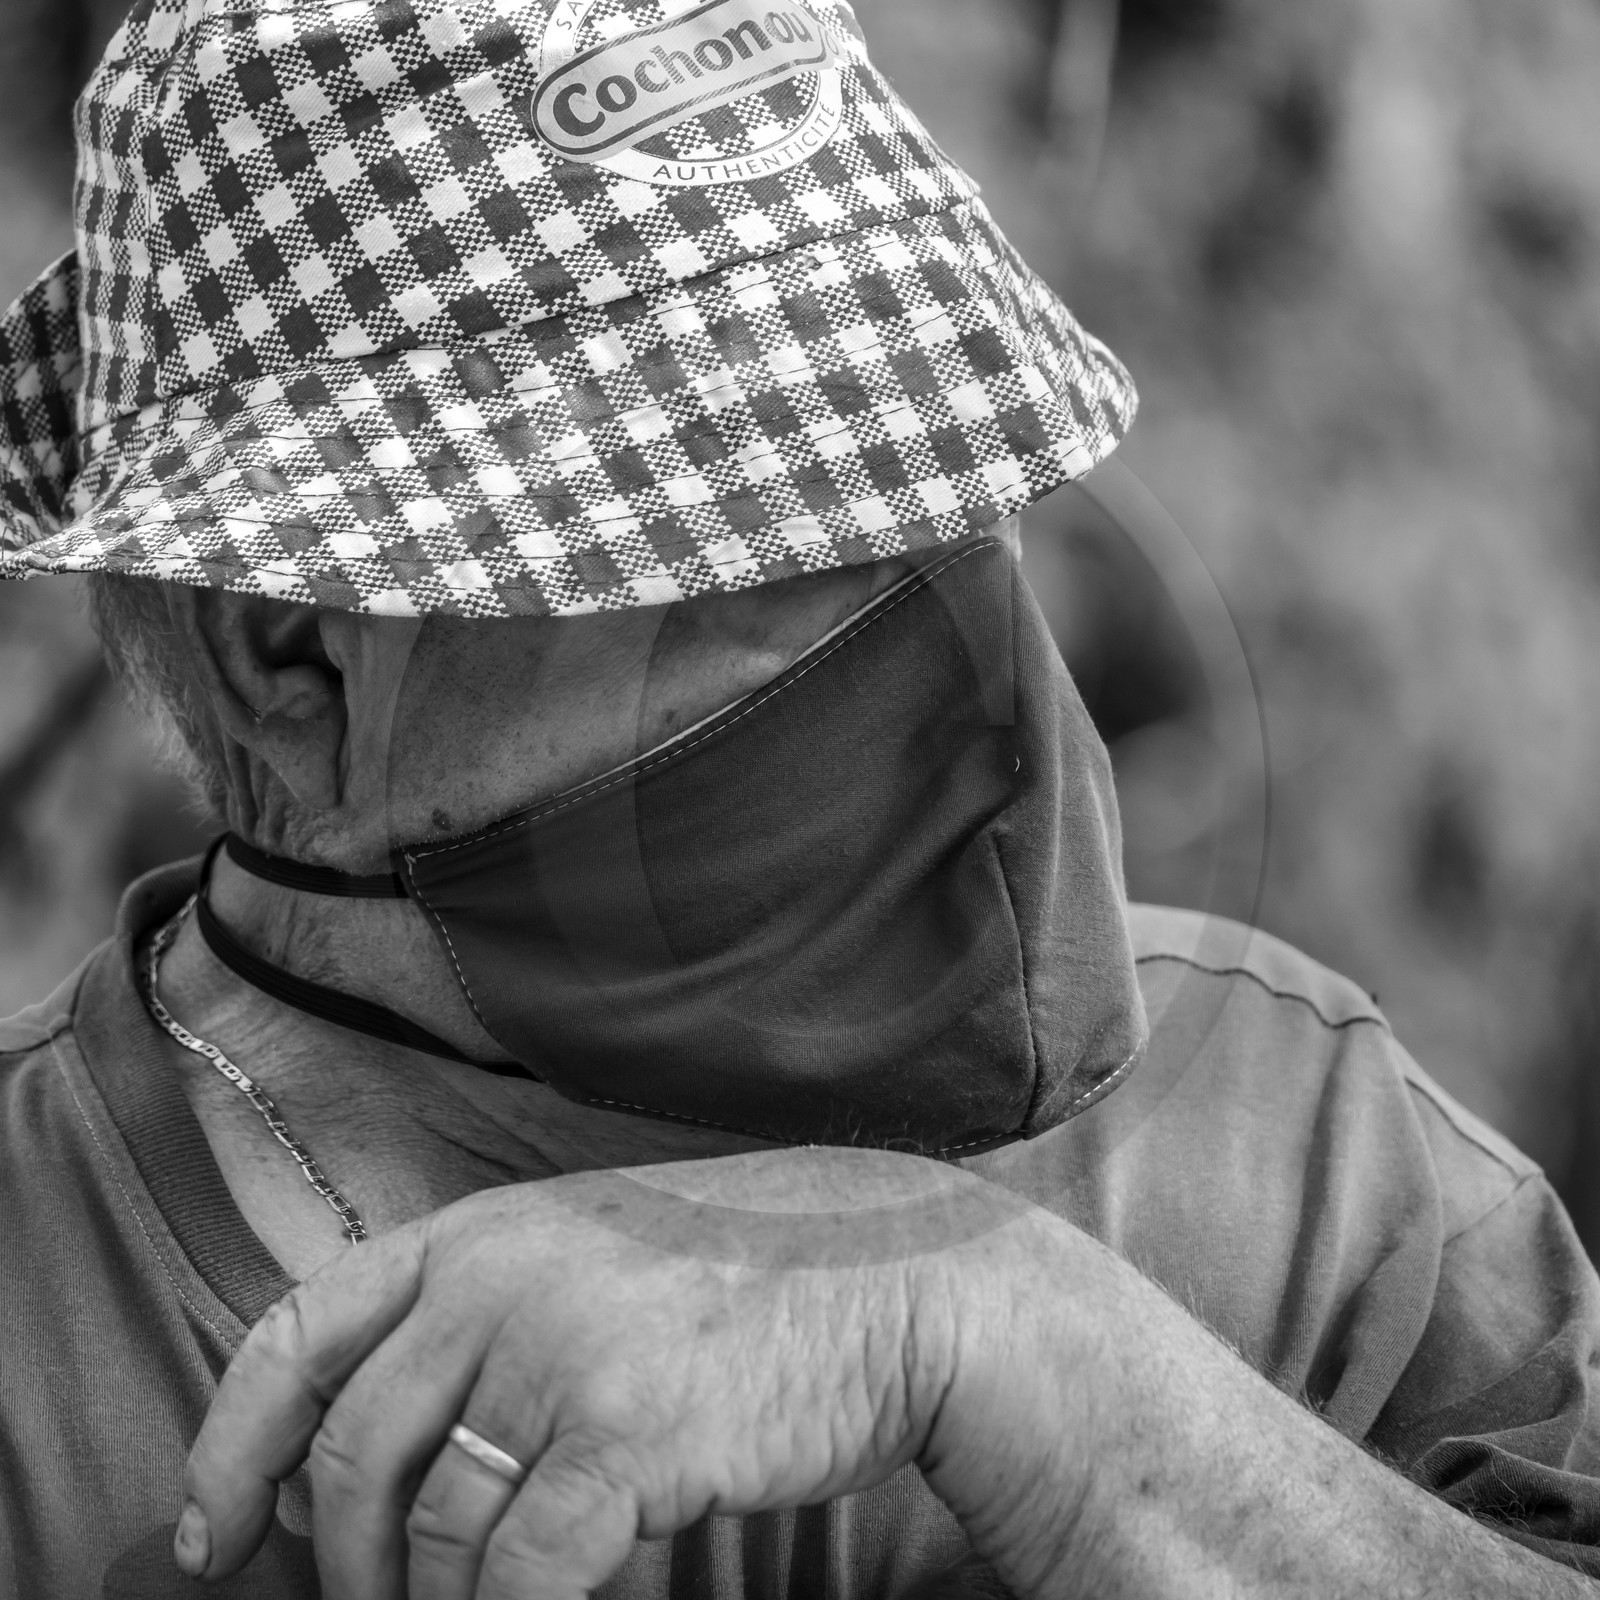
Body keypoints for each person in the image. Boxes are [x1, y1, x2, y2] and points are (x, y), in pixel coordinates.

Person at [1, 0, 1597, 1596]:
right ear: (294, 654)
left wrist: (1015, 1346)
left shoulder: (1313, 1154)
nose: (965, 656)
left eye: (951, 474)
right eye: (771, 535)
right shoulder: (40, 1322)